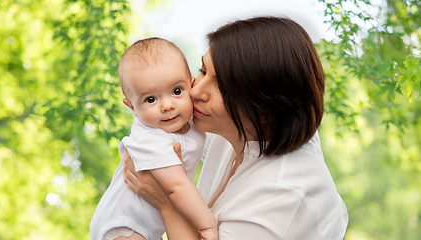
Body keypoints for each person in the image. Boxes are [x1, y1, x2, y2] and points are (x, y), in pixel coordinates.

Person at [122, 16, 349, 240]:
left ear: (263, 109)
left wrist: (166, 204)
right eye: (202, 71)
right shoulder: (239, 131)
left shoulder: (281, 194)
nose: (195, 91)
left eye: (221, 86)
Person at [90, 37, 218, 240]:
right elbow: (177, 187)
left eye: (177, 91)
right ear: (131, 107)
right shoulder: (151, 139)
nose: (167, 105)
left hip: (148, 224)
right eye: (151, 99)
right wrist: (207, 226)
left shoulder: (193, 121)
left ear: (191, 84)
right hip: (124, 224)